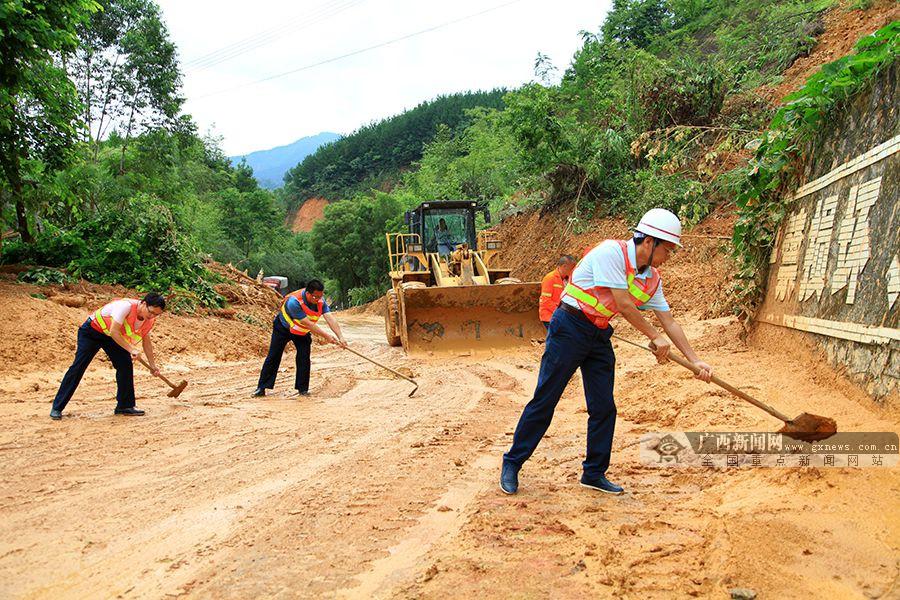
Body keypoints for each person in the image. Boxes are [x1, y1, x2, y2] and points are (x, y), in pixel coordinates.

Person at [500, 208, 713, 495]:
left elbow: (669, 320)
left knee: (603, 407)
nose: (669, 257)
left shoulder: (652, 279)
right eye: (668, 249)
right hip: (569, 327)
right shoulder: (611, 253)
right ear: (649, 242)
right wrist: (654, 336)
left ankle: (593, 473)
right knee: (546, 398)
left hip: (598, 334)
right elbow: (624, 305)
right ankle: (512, 462)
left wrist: (695, 360)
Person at [50, 293, 166, 419]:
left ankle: (125, 406)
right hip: (92, 332)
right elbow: (114, 331)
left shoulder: (148, 320)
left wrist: (152, 365)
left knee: (125, 365)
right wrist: (131, 349)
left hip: (111, 338)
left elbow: (146, 342)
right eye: (151, 312)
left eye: (156, 315)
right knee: (78, 367)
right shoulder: (125, 306)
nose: (152, 316)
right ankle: (57, 407)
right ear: (143, 304)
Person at [252, 279, 346, 397]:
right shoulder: (294, 302)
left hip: (301, 332)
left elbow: (330, 318)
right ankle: (262, 387)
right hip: (283, 327)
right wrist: (327, 337)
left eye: (320, 296)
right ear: (308, 293)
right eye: (316, 297)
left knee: (304, 357)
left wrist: (340, 337)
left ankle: (303, 390)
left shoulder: (321, 302)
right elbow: (309, 324)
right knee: (274, 356)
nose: (318, 300)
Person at [539, 255, 576, 328]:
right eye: (572, 268)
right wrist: (560, 312)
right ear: (564, 266)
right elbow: (545, 301)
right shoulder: (550, 278)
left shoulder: (567, 280)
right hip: (549, 316)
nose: (573, 271)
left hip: (560, 315)